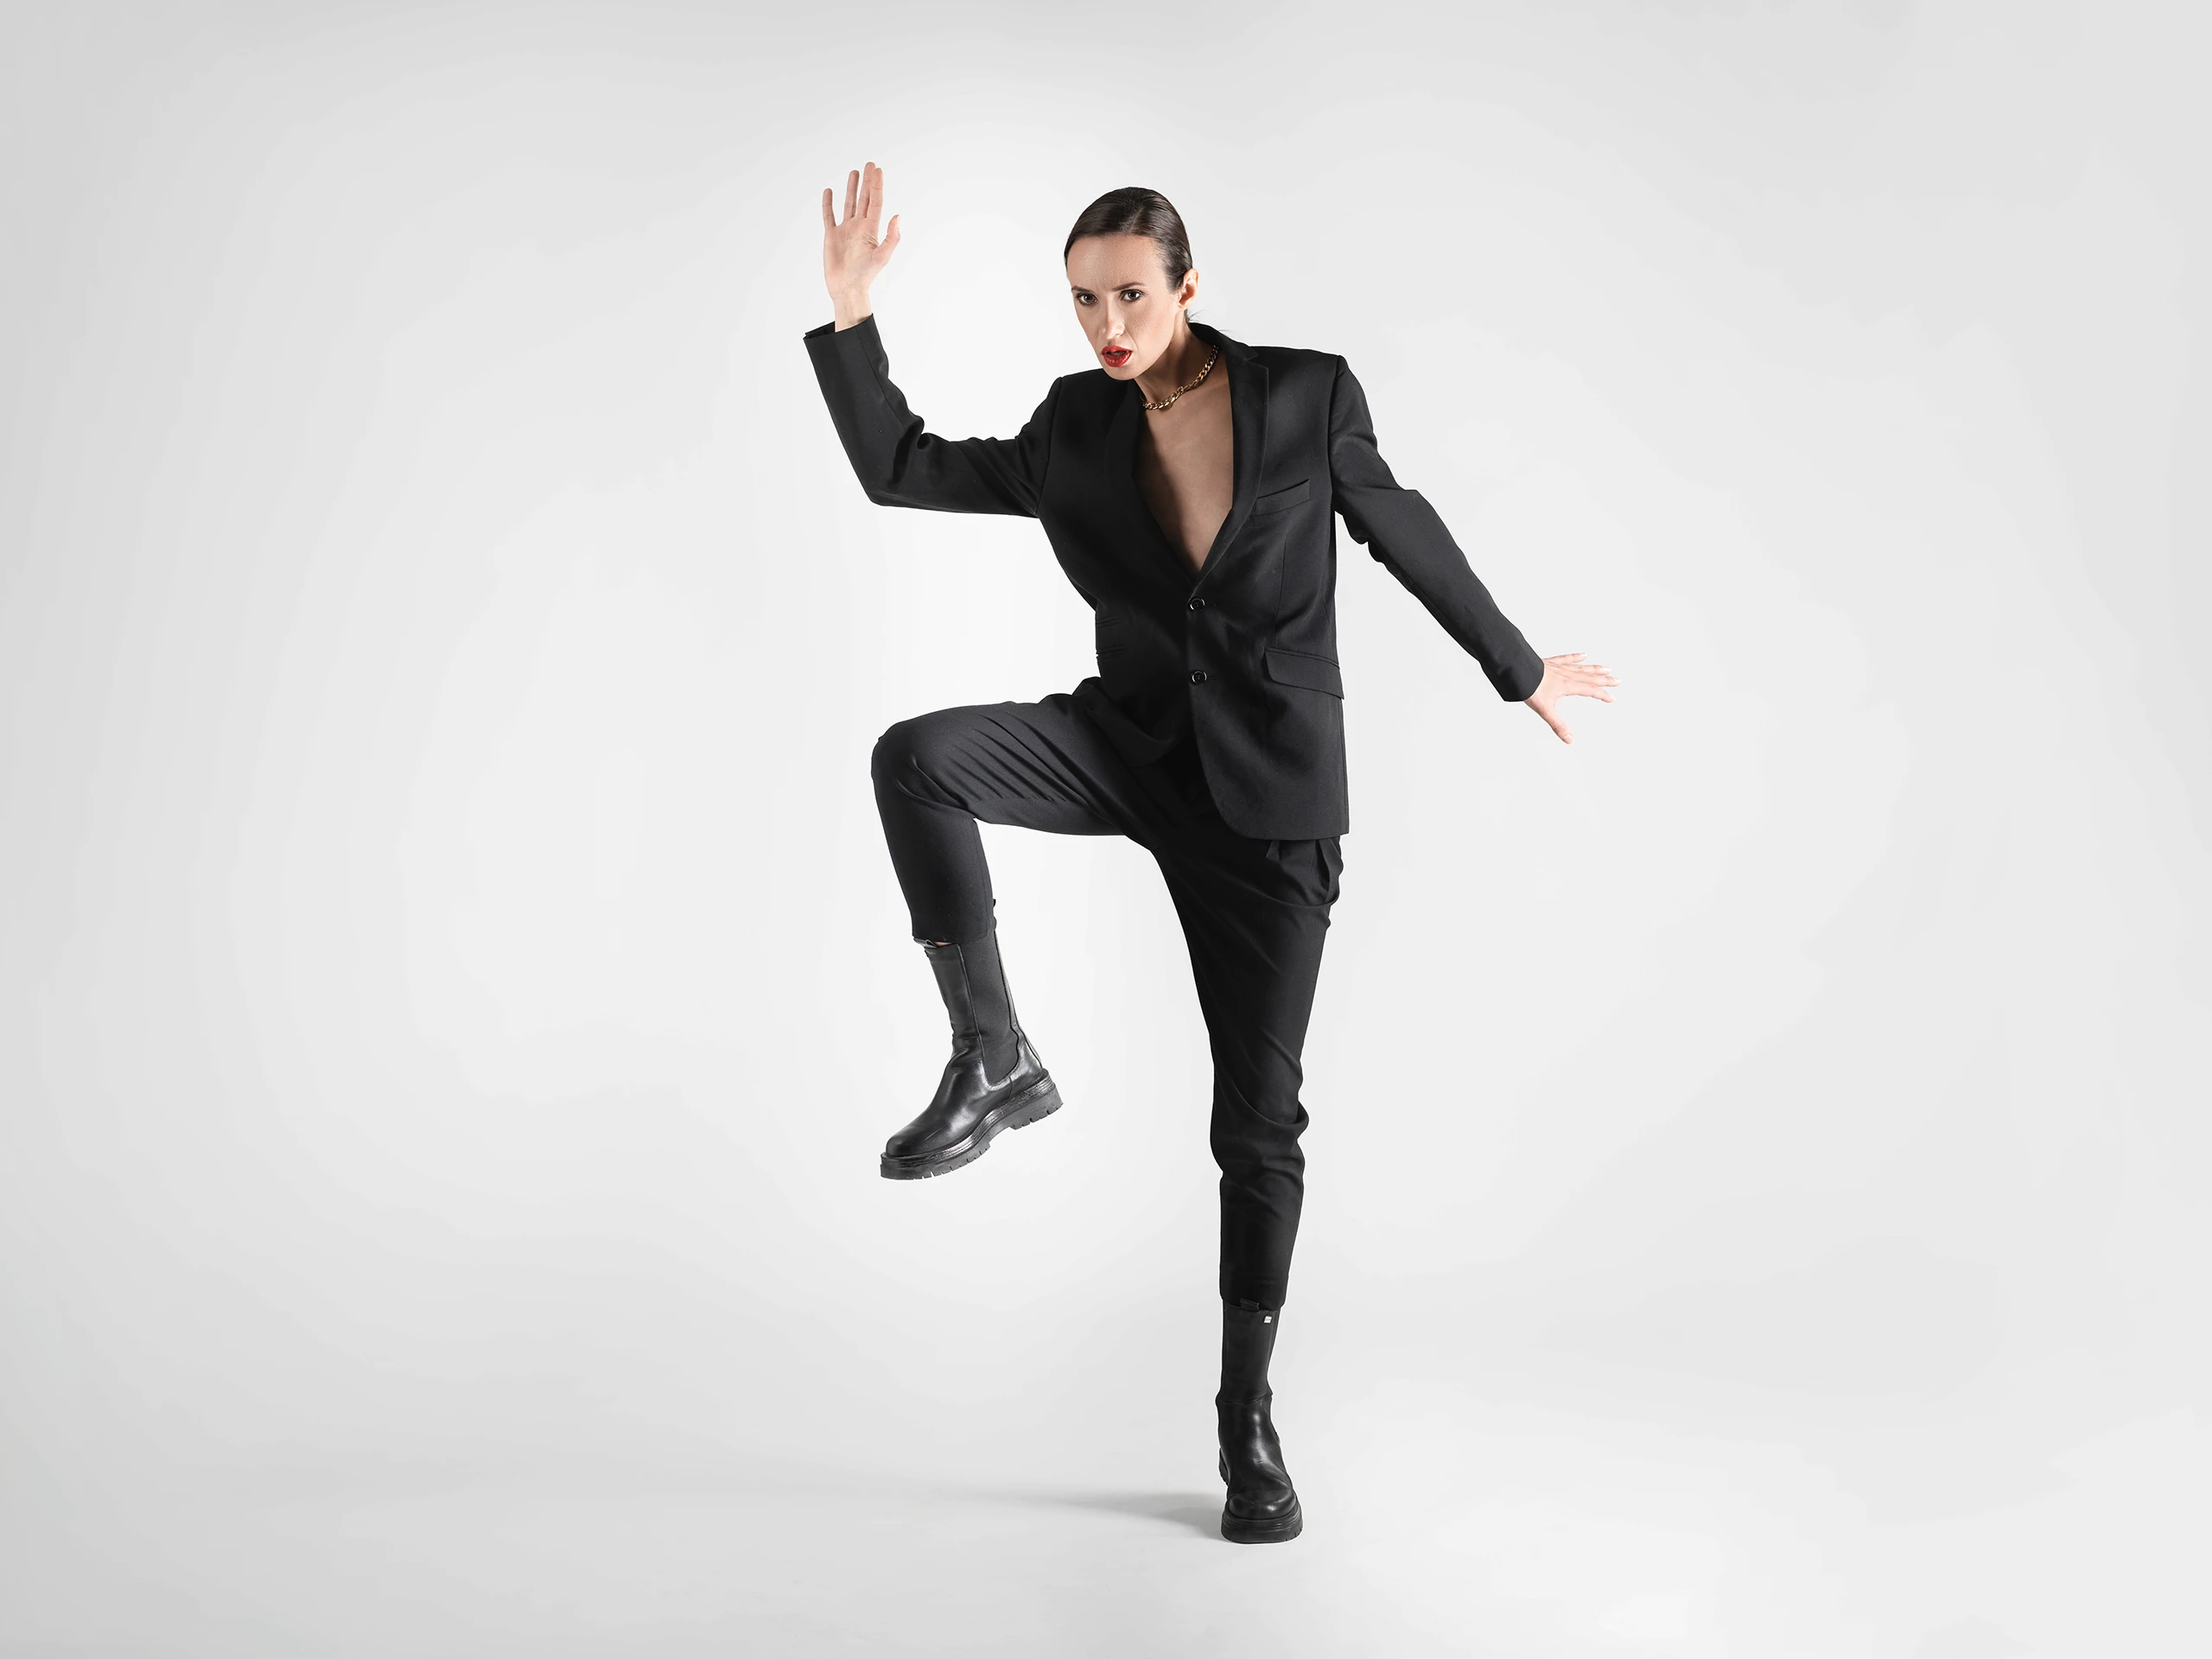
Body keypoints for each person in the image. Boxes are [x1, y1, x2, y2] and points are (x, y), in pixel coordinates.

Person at [804, 162, 1618, 1544]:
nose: (1107, 325)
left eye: (1130, 295)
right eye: (1083, 302)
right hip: (1127, 746)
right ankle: (992, 1055)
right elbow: (901, 469)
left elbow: (1396, 523)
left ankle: (1246, 1420)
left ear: (1188, 287)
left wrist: (1516, 664)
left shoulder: (1305, 395)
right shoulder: (1072, 425)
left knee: (1256, 1125)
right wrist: (850, 318)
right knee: (918, 756)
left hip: (1272, 804)